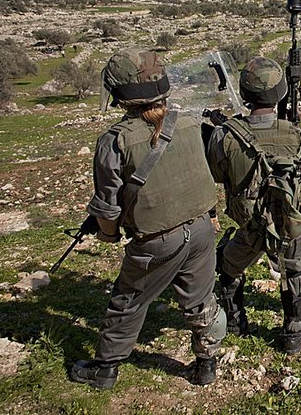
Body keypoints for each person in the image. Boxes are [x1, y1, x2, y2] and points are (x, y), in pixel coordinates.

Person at [70, 49, 225, 389]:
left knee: (128, 300)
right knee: (200, 299)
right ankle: (206, 363)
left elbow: (108, 208)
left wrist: (109, 236)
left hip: (157, 241)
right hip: (201, 228)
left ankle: (106, 368)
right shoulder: (188, 120)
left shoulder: (115, 140)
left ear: (119, 95)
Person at [206, 57, 301, 355]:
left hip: (251, 224)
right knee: (295, 273)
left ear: (244, 94)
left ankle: (236, 323)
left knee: (228, 267)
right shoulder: (295, 133)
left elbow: (217, 175)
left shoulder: (225, 135)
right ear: (280, 93)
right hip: (289, 222)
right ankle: (293, 331)